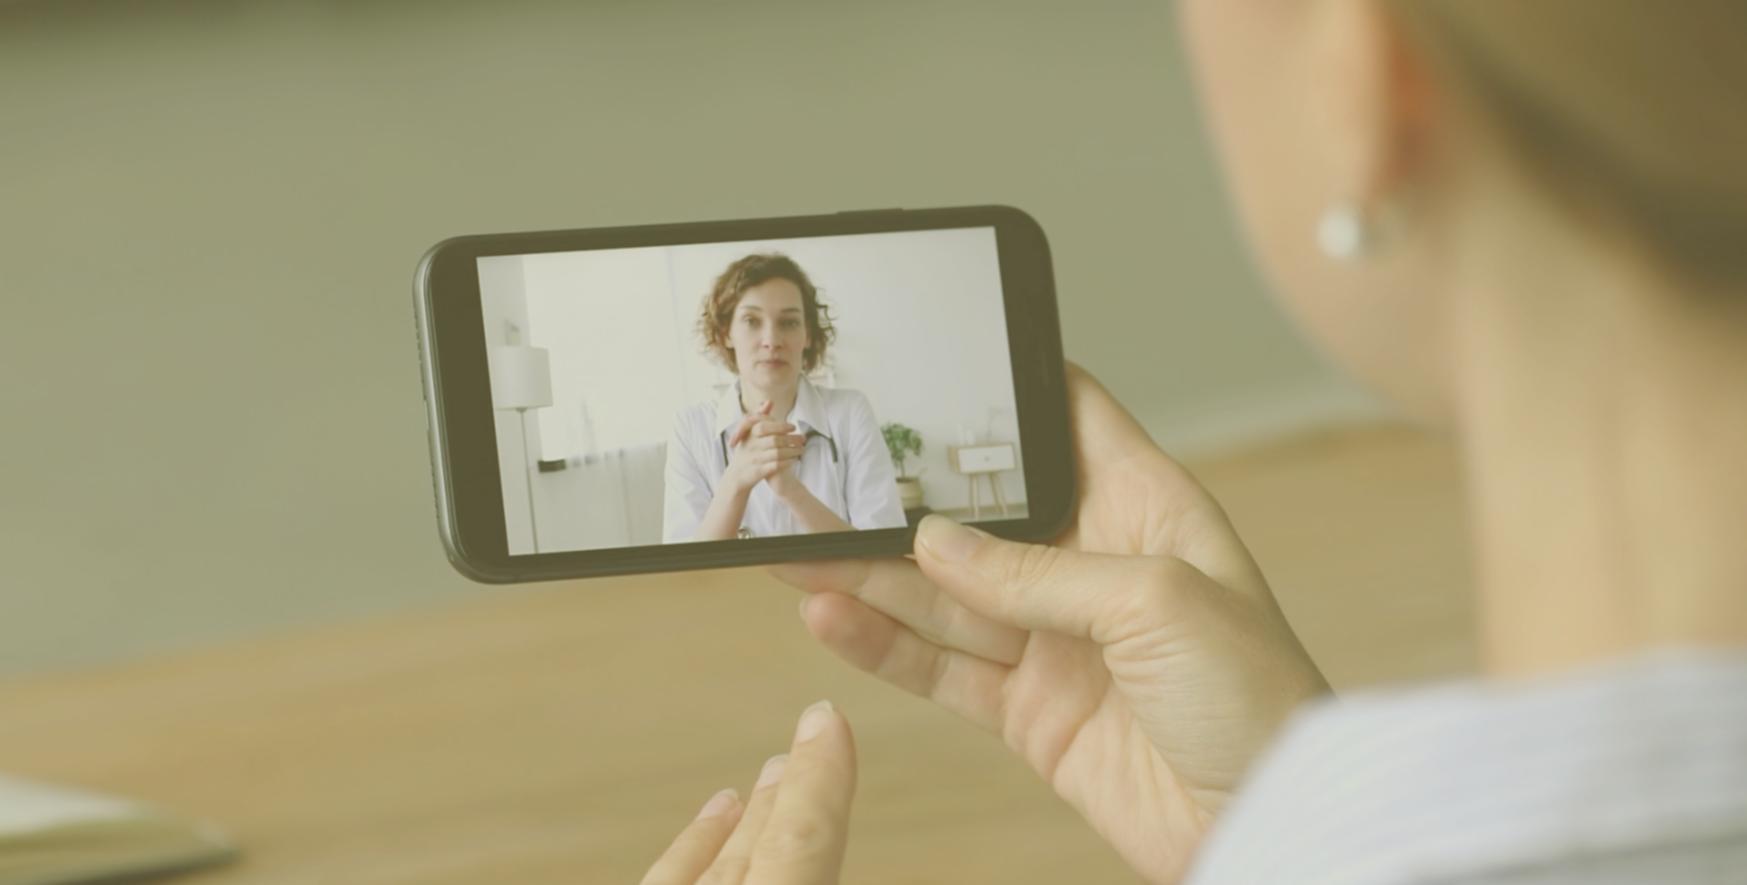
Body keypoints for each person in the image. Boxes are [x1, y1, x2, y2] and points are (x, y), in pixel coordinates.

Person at [643, 1, 1747, 882]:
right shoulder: (701, 429)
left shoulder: (847, 421)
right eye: (752, 321)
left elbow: (874, 522)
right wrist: (1287, 816)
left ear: (1360, 88)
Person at [662, 253, 908, 543]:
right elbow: (685, 576)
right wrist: (736, 482)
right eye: (752, 321)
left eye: (789, 323)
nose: (772, 340)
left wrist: (790, 490)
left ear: (808, 336)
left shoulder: (850, 412)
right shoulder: (691, 428)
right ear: (726, 333)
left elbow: (883, 551)